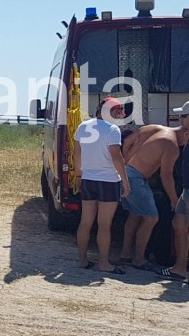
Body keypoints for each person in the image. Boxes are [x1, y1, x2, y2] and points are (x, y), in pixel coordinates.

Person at [119, 105, 189, 271]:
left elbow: (127, 141)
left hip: (126, 173)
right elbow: (166, 176)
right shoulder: (172, 147)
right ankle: (138, 259)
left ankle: (125, 253)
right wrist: (174, 200)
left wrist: (124, 161)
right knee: (151, 218)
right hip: (136, 178)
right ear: (186, 134)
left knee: (135, 214)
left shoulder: (154, 128)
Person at [73, 97, 131, 273]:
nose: (118, 116)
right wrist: (126, 182)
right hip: (108, 181)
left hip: (88, 179)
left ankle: (82, 261)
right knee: (104, 224)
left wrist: (78, 175)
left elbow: (77, 153)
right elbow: (116, 157)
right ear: (111, 111)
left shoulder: (83, 126)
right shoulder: (112, 130)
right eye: (117, 112)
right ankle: (104, 264)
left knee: (85, 222)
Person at [157, 100, 189, 281]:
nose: (180, 119)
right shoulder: (186, 136)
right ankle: (179, 268)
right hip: (185, 189)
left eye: (184, 116)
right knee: (178, 225)